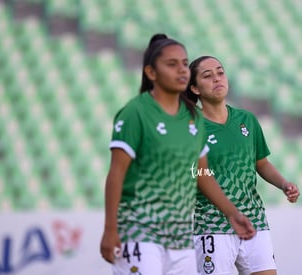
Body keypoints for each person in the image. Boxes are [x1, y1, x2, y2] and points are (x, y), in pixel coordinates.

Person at [99, 35, 255, 275]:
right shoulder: (134, 113)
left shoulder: (193, 117)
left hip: (180, 237)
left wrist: (232, 213)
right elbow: (116, 173)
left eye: (184, 63)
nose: (182, 69)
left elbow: (202, 174)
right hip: (139, 230)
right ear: (151, 72)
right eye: (172, 64)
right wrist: (110, 229)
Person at [185, 56, 300, 275]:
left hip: (253, 220)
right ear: (195, 88)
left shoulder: (247, 119)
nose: (217, 79)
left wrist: (284, 184)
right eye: (208, 76)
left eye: (220, 72)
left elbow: (261, 163)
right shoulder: (191, 125)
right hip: (213, 224)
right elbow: (194, 172)